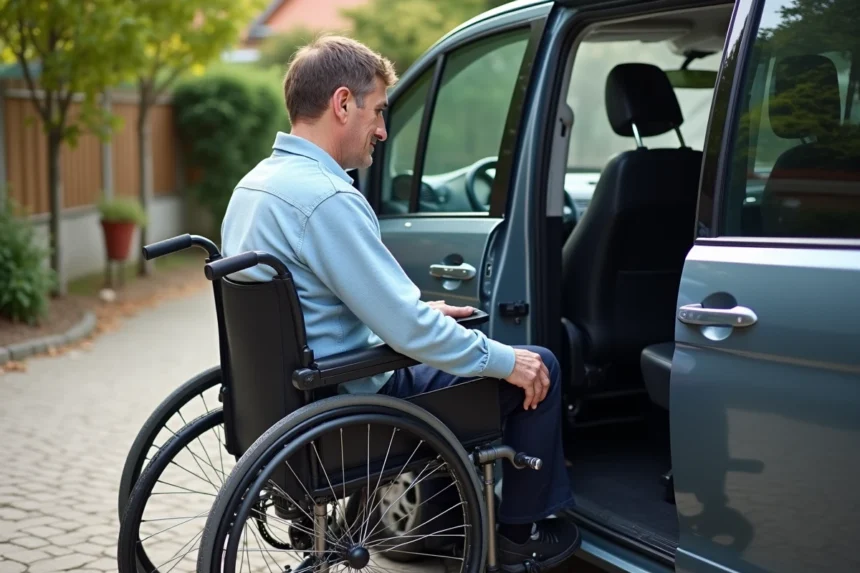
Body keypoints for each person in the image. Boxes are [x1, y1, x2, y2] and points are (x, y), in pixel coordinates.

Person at [220, 34, 580, 572]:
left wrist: (420, 318)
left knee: (451, 339)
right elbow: (408, 334)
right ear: (343, 104)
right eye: (379, 112)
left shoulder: (254, 186)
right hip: (350, 406)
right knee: (539, 364)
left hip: (282, 403)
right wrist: (505, 360)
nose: (383, 131)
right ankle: (518, 535)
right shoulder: (329, 197)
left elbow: (315, 307)